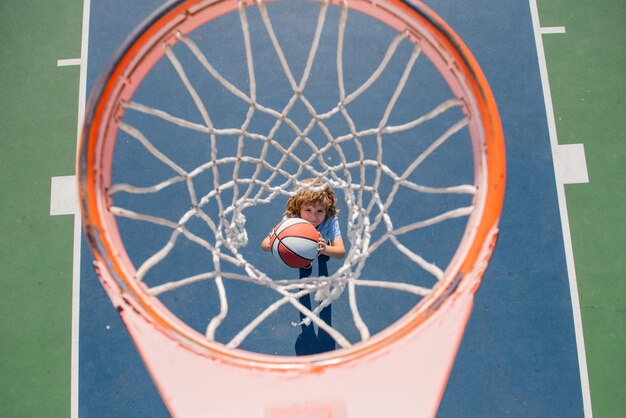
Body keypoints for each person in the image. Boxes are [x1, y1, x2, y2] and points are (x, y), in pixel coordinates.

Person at [261, 179, 345, 354]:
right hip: (302, 249)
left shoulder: (329, 221)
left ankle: (318, 254)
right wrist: (277, 243)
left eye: (319, 211)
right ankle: (306, 260)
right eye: (308, 210)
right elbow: (264, 244)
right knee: (304, 266)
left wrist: (325, 248)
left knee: (324, 258)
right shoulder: (291, 223)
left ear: (327, 211)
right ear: (298, 209)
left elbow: (341, 252)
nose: (314, 217)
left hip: (322, 245)